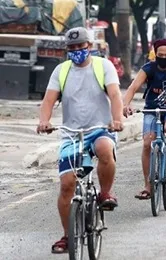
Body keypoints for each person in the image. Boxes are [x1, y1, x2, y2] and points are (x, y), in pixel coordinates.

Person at [36, 27, 123, 254]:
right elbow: (48, 100)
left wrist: (117, 119)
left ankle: (105, 193)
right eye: (71, 48)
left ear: (89, 47)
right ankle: (67, 236)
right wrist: (43, 121)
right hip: (71, 134)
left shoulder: (103, 66)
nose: (76, 51)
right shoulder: (61, 70)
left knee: (105, 149)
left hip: (100, 129)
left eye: (80, 47)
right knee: (67, 185)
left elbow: (114, 94)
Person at [122, 39, 166, 200]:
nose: (163, 58)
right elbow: (133, 87)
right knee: (147, 143)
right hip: (151, 109)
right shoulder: (148, 68)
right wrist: (125, 105)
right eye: (160, 55)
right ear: (155, 54)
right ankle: (147, 185)